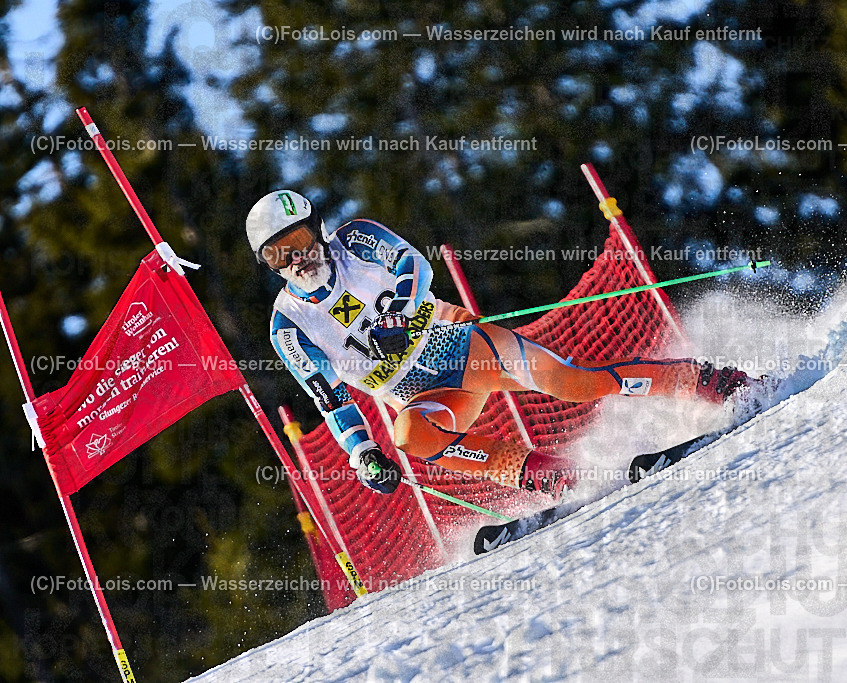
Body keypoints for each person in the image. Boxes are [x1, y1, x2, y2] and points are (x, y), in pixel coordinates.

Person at [248, 190, 755, 498]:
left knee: (571, 384)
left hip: (453, 342)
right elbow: (332, 399)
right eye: (277, 257)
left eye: (297, 244)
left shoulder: (355, 239)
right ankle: (547, 475)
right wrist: (361, 455)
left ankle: (702, 380)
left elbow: (413, 265)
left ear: (316, 229)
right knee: (409, 437)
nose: (294, 261)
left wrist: (400, 315)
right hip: (422, 396)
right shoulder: (289, 327)